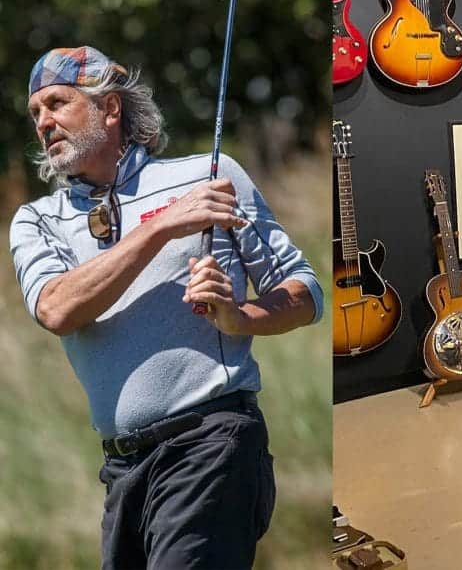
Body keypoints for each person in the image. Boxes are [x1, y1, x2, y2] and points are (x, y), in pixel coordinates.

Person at [9, 46, 324, 569]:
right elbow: (57, 309)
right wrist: (160, 228)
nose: (44, 122)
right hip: (121, 470)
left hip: (210, 442)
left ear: (110, 108)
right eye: (35, 112)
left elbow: (305, 291)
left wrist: (239, 316)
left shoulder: (211, 175)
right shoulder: (36, 220)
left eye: (58, 104)